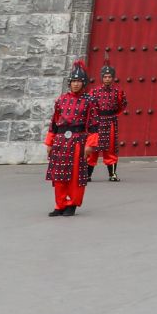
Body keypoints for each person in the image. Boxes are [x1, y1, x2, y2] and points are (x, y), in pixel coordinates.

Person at [45, 62, 97, 217]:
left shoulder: (89, 101)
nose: (75, 84)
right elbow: (54, 122)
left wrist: (90, 145)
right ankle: (60, 204)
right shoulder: (61, 100)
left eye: (78, 81)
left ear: (83, 83)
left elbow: (93, 125)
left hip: (78, 141)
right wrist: (50, 141)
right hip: (60, 141)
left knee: (74, 176)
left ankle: (72, 203)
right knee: (59, 174)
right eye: (73, 81)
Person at [85, 63, 128, 183]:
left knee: (111, 148)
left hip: (111, 122)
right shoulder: (94, 92)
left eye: (109, 77)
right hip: (97, 122)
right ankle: (87, 174)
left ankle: (112, 174)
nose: (107, 79)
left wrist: (111, 115)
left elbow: (122, 106)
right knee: (93, 148)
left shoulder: (118, 92)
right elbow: (89, 107)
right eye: (105, 76)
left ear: (113, 78)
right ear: (102, 78)